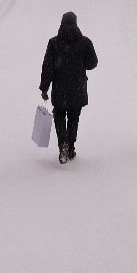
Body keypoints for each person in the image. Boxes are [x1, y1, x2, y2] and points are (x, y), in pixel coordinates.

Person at [40, 11, 98, 164]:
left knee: (59, 115)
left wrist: (44, 88)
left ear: (62, 23)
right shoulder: (85, 42)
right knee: (74, 116)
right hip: (77, 87)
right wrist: (80, 64)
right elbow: (93, 63)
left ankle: (62, 143)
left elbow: (47, 67)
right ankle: (71, 147)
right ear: (76, 23)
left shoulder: (54, 43)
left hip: (59, 87)